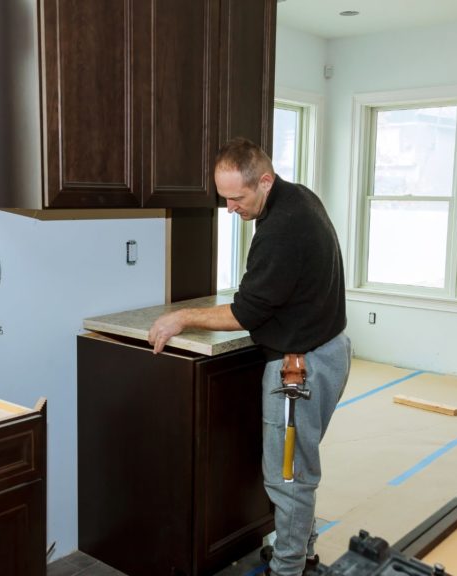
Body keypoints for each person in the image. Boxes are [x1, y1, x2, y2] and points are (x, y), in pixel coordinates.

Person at [148, 137, 350, 576]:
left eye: (237, 198)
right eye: (223, 198)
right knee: (298, 466)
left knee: (288, 477)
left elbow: (247, 311)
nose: (230, 209)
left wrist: (181, 317)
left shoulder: (281, 228)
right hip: (328, 349)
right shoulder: (296, 198)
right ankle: (303, 549)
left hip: (301, 368)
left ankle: (288, 568)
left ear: (264, 180)